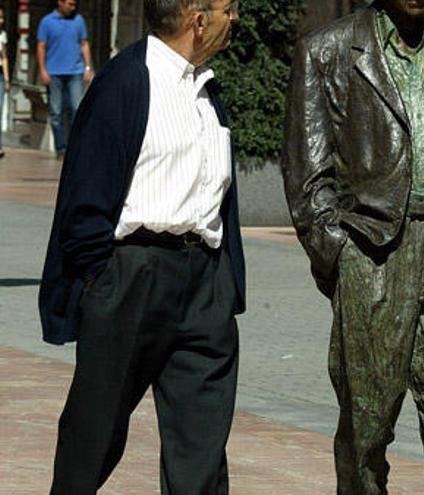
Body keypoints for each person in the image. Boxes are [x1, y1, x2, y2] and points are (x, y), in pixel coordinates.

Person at [282, 0, 424, 493]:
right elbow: (307, 171)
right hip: (372, 249)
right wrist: (338, 250)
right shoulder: (327, 51)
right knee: (368, 419)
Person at [38, 0, 244, 492]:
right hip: (132, 276)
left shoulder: (205, 86)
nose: (235, 18)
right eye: (228, 9)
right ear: (198, 20)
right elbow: (84, 195)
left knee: (202, 443)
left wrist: (224, 280)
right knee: (95, 431)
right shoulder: (127, 81)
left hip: (204, 281)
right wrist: (100, 279)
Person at [37, 0, 93, 159]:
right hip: (54, 72)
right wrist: (42, 70)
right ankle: (61, 149)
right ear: (60, 2)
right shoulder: (47, 22)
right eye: (69, 4)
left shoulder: (79, 20)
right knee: (56, 112)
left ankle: (75, 147)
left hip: (75, 71)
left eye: (74, 4)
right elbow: (41, 46)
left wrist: (87, 67)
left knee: (76, 109)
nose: (72, 7)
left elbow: (84, 44)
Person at [0, 7, 10, 159]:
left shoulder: (2, 35)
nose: (0, 20)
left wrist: (7, 79)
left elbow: (4, 57)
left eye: (2, 17)